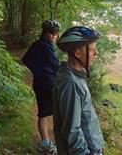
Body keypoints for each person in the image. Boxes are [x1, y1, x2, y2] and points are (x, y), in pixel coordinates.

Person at [53, 26, 104, 155]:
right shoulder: (70, 82)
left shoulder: (76, 75)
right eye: (92, 50)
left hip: (92, 147)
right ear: (77, 53)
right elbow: (72, 130)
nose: (96, 53)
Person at [22, 19, 61, 154]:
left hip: (38, 83)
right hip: (48, 84)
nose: (55, 36)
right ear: (45, 32)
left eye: (56, 33)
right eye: (52, 33)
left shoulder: (36, 44)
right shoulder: (46, 46)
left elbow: (25, 60)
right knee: (58, 111)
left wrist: (36, 70)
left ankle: (46, 144)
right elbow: (55, 65)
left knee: (43, 113)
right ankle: (57, 143)